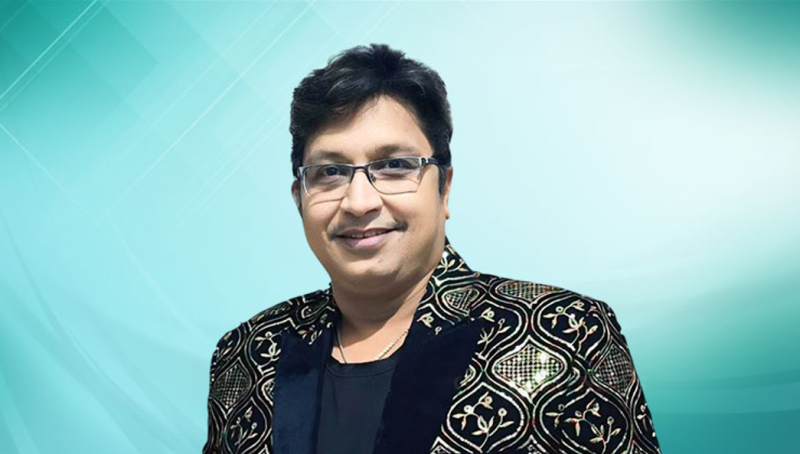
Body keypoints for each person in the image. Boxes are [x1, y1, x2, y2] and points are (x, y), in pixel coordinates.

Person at [202, 43, 661, 454]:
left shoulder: (562, 333)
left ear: (444, 188)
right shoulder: (248, 352)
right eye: (330, 172)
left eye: (395, 166)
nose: (359, 202)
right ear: (299, 198)